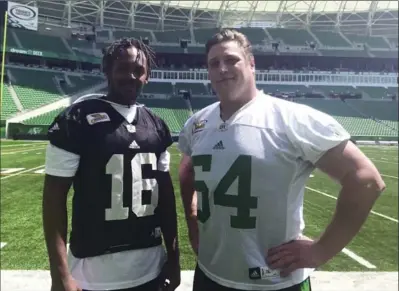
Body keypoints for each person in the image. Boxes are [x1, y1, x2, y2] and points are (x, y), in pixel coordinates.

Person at [178, 29, 385, 291]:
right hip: (210, 274)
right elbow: (187, 170)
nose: (222, 69)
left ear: (251, 64)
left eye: (231, 60)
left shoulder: (291, 118)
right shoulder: (197, 122)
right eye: (214, 63)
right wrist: (192, 215)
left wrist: (320, 251)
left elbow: (366, 180)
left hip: (275, 281)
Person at [43, 38, 180, 291]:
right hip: (92, 275)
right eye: (122, 68)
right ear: (107, 71)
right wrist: (59, 273)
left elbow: (166, 199)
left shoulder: (156, 124)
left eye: (138, 70)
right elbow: (53, 201)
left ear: (147, 76)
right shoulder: (77, 119)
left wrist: (174, 258)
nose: (131, 76)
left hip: (150, 268)